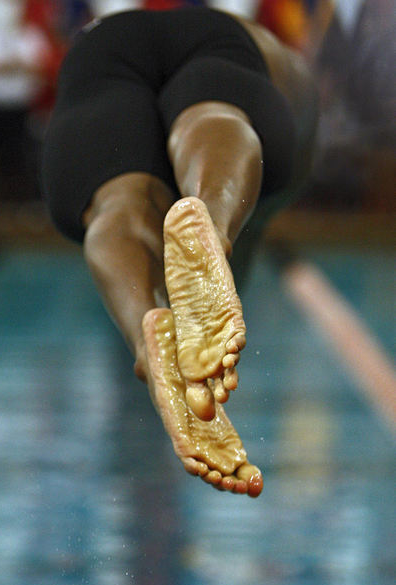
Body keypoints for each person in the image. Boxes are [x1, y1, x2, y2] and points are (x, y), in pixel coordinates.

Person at [41, 7, 317, 496]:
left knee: (118, 204)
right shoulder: (276, 58)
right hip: (223, 41)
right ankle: (213, 219)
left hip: (100, 48)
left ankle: (145, 333)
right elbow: (298, 113)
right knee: (214, 117)